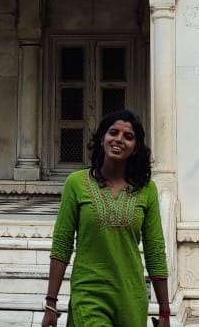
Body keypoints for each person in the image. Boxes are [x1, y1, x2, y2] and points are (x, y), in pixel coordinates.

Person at [42, 108, 170, 327]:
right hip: (88, 294)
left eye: (128, 136)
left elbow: (155, 251)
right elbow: (62, 244)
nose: (119, 139)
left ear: (135, 147)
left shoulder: (147, 190)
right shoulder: (76, 183)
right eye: (113, 132)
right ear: (102, 139)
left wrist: (165, 311)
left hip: (131, 298)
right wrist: (51, 303)